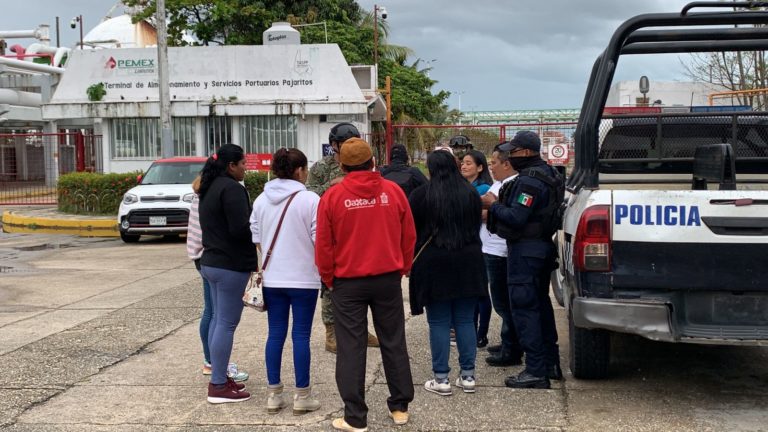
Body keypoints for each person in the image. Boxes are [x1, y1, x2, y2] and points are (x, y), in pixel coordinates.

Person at [315, 137, 416, 431]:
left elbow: (323, 245)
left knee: (351, 347)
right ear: (373, 162)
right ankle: (400, 408)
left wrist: (328, 278)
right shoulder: (393, 192)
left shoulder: (333, 197)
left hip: (347, 283)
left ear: (341, 165)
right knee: (393, 341)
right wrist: (403, 267)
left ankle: (355, 417)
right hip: (387, 279)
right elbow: (408, 235)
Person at [481, 131, 564, 389]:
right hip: (540, 249)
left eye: (514, 152)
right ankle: (550, 364)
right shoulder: (549, 174)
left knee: (525, 310)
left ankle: (536, 370)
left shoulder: (529, 181)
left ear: (526, 152)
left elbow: (517, 217)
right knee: (541, 307)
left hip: (526, 252)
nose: (510, 157)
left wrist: (493, 205)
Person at [409, 150, 489, 397]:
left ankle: (441, 378)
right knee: (465, 320)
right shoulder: (470, 193)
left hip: (434, 261)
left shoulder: (421, 195)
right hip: (469, 258)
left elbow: (413, 230)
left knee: (439, 322)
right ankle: (468, 376)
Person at [249, 148, 321, 415]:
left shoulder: (261, 200)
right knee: (301, 335)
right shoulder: (310, 199)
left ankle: (274, 395)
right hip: (304, 279)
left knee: (275, 334)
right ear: (299, 171)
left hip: (272, 279)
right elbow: (319, 239)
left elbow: (256, 238)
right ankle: (302, 396)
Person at [306, 122, 379, 354]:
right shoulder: (321, 167)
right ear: (334, 145)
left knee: (363, 286)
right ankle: (332, 332)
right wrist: (331, 185)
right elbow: (309, 196)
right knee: (330, 287)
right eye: (344, 143)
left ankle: (361, 330)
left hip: (360, 231)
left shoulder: (364, 163)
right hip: (333, 232)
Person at [198, 143, 256, 404]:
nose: (245, 168)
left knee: (217, 320)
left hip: (211, 261)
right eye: (243, 164)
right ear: (231, 166)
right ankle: (218, 385)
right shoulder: (232, 189)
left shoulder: (208, 186)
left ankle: (218, 375)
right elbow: (240, 229)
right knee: (226, 323)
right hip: (230, 264)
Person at [187, 176, 249, 382]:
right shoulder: (216, 193)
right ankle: (216, 365)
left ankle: (211, 361)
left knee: (211, 312)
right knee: (218, 316)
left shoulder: (202, 191)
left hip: (202, 256)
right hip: (212, 256)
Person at [481, 143, 525, 367]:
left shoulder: (512, 184)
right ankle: (508, 341)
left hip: (500, 251)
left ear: (507, 164)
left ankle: (512, 349)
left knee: (503, 303)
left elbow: (486, 212)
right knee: (500, 301)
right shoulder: (499, 183)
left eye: (494, 163)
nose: (492, 167)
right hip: (490, 248)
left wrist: (488, 207)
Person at [460, 150, 493, 348]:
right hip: (467, 244)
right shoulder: (464, 186)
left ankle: (481, 333)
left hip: (482, 244)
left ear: (480, 167)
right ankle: (471, 331)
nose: (464, 166)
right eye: (463, 163)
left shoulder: (484, 189)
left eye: (469, 163)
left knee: (481, 291)